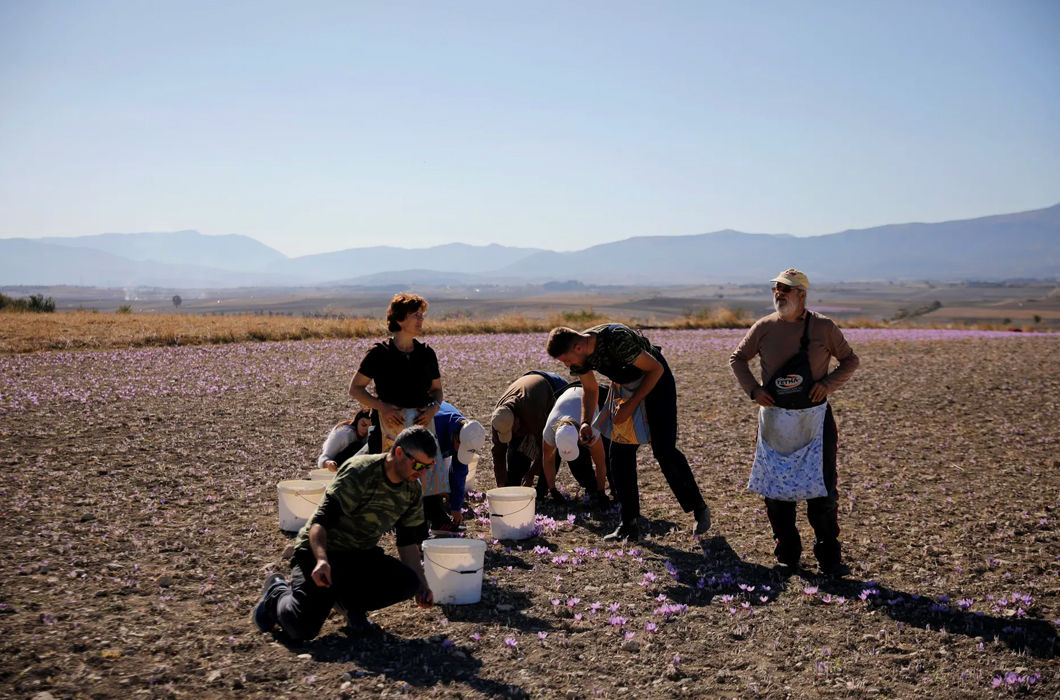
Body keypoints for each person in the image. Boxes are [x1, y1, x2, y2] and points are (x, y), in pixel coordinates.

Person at [729, 268, 859, 575]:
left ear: (802, 294)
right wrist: (754, 390)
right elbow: (737, 359)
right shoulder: (764, 327)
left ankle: (829, 556)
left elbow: (850, 360)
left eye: (786, 289)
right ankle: (787, 553)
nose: (778, 293)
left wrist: (827, 385)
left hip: (814, 419)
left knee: (823, 490)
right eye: (776, 288)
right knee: (775, 491)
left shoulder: (824, 327)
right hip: (774, 419)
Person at [252, 426, 437, 640]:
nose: (422, 472)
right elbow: (319, 523)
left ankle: (349, 602)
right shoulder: (360, 472)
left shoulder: (411, 489)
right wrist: (321, 560)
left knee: (408, 582)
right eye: (419, 465)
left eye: (429, 467)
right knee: (302, 629)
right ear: (398, 453)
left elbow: (406, 543)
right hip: (321, 552)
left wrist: (423, 588)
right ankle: (276, 593)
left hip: (359, 556)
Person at [546, 324, 711, 541]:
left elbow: (655, 370)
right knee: (619, 455)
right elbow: (590, 389)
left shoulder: (617, 339)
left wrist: (630, 406)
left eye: (566, 360)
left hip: (657, 384)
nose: (567, 365)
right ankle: (628, 524)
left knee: (664, 451)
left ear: (578, 347)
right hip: (626, 387)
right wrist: (585, 422)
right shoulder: (581, 357)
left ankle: (698, 508)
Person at [349, 293, 443, 453]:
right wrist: (382, 407)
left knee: (421, 475)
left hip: (422, 434)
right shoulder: (379, 353)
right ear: (399, 319)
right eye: (415, 315)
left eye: (422, 315)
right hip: (385, 433)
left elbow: (436, 390)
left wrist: (433, 409)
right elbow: (355, 389)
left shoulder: (426, 353)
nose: (421, 320)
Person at [490, 370, 569, 496]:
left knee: (557, 437)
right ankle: (515, 480)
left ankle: (543, 488)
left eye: (513, 429)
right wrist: (501, 484)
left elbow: (547, 447)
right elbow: (498, 451)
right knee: (515, 454)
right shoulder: (499, 417)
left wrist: (531, 474)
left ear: (517, 420)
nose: (514, 432)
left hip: (556, 389)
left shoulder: (532, 412)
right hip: (529, 387)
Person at [540, 381, 612, 508]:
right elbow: (548, 460)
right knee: (577, 463)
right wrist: (552, 489)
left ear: (580, 439)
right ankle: (591, 488)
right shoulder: (549, 431)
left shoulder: (591, 430)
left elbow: (600, 463)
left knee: (609, 451)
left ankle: (612, 490)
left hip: (592, 393)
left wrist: (601, 492)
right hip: (566, 394)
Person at [428, 402, 486, 531]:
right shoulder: (436, 426)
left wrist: (456, 507)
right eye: (460, 447)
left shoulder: (468, 434)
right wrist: (439, 487)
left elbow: (460, 470)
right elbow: (427, 466)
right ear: (456, 437)